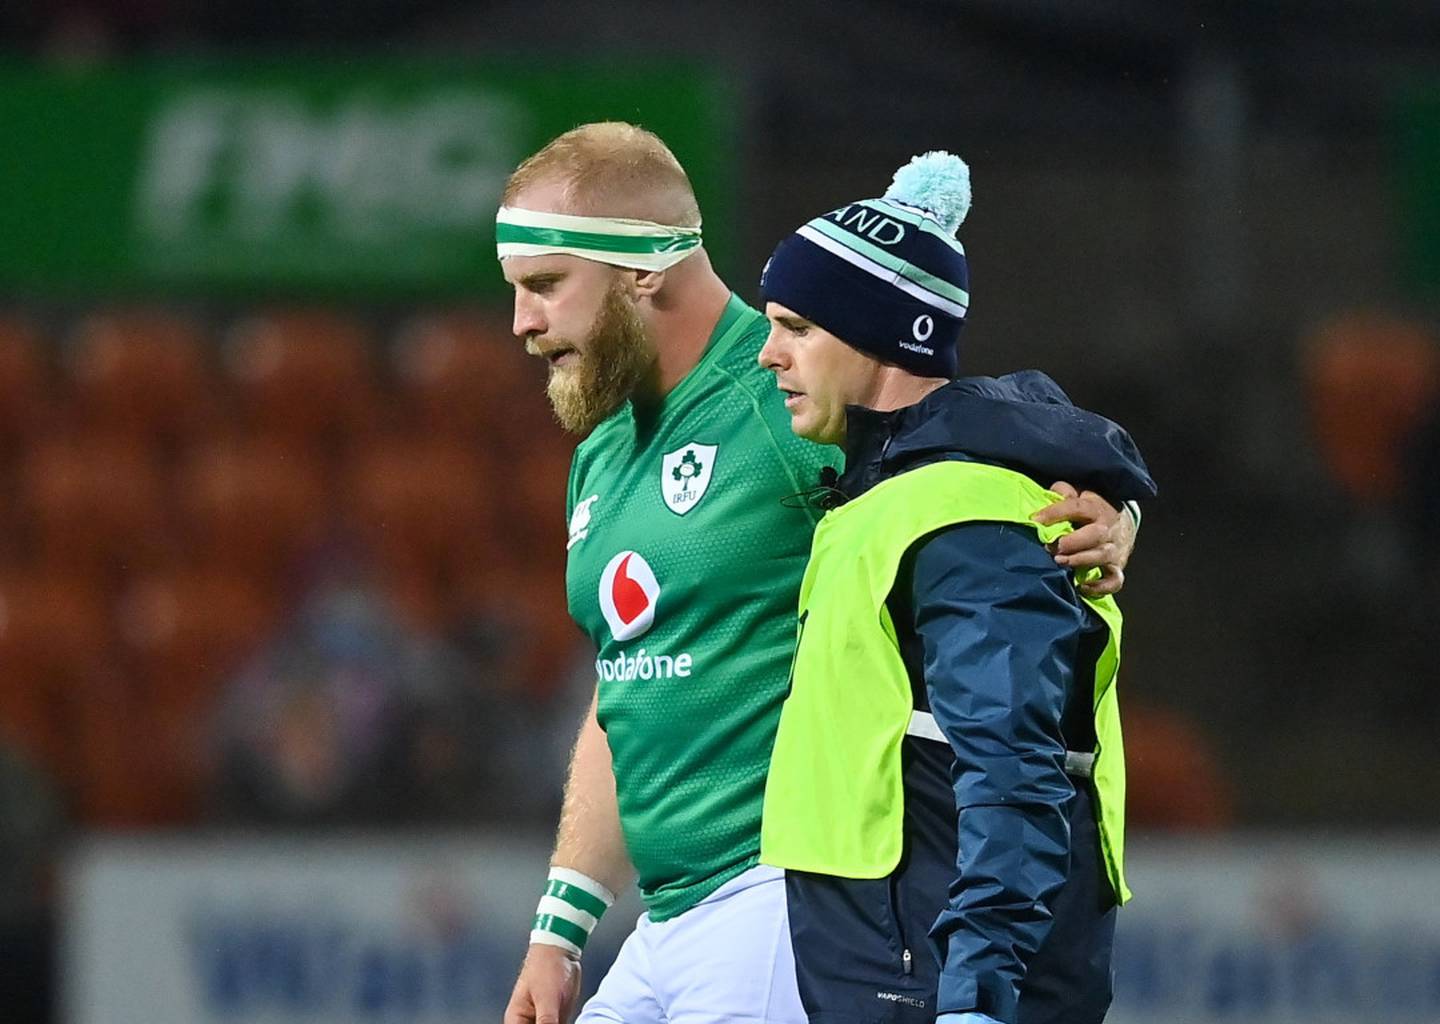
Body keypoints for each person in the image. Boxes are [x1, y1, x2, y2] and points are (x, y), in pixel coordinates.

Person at [495, 123, 1140, 1024]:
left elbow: (954, 438)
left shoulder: (788, 393)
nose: (522, 321)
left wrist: (1107, 505)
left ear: (641, 269)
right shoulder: (604, 453)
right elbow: (629, 682)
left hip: (784, 896)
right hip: (666, 919)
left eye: (543, 286)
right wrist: (561, 930)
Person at [756, 152, 1157, 1024]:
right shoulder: (890, 497)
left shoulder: (962, 519)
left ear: (873, 331)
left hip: (937, 979)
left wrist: (975, 997)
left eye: (794, 327)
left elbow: (1015, 776)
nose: (768, 353)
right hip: (896, 961)